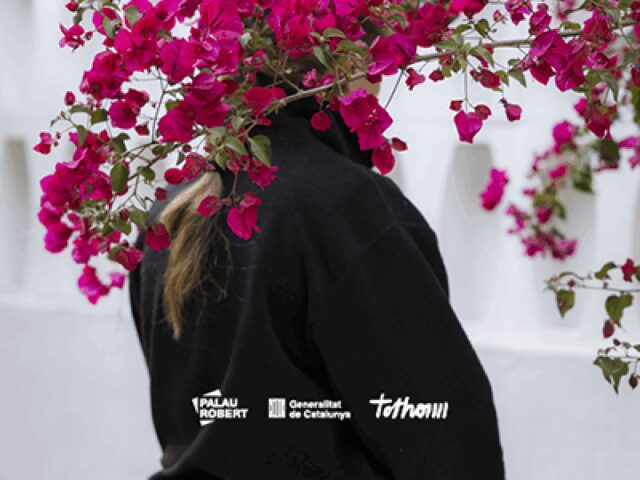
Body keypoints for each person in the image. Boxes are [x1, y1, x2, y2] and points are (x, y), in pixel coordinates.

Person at [128, 72, 506, 479]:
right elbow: (444, 435)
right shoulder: (347, 208)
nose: (380, 84)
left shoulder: (168, 212)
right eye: (375, 63)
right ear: (343, 63)